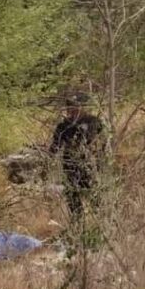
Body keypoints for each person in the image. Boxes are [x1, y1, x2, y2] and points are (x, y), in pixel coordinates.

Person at [49, 93, 105, 229]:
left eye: (75, 107)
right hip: (69, 168)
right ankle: (78, 229)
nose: (71, 110)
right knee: (73, 200)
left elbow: (100, 142)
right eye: (69, 107)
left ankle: (103, 225)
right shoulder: (63, 126)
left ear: (82, 108)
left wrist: (99, 160)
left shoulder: (93, 122)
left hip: (88, 166)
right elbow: (55, 147)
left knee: (94, 197)